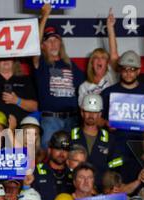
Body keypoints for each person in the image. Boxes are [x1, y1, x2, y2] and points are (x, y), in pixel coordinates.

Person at [33, 4, 85, 149]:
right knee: (48, 152)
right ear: (43, 45)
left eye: (56, 40)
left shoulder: (70, 65)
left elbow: (86, 86)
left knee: (74, 153)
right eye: (49, 41)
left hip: (73, 119)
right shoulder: (41, 64)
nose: (53, 44)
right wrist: (45, 16)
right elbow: (33, 45)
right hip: (51, 119)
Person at [101, 50, 144, 153]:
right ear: (119, 70)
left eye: (132, 69)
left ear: (138, 71)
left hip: (143, 147)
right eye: (125, 69)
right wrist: (106, 123)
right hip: (116, 146)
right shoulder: (108, 93)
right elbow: (96, 120)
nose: (128, 73)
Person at [0, 40, 38, 124]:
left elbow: (35, 107)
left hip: (20, 129)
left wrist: (17, 100)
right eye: (2, 58)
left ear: (14, 61)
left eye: (8, 57)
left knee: (31, 133)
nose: (5, 60)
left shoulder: (25, 79)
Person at [71, 94, 123, 187]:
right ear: (82, 112)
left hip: (102, 187)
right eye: (88, 111)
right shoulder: (71, 136)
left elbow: (118, 161)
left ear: (100, 114)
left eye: (95, 112)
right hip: (75, 186)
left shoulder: (109, 138)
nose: (91, 115)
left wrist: (105, 168)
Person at [78, 8, 119, 105]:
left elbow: (114, 54)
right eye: (96, 57)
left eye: (103, 58)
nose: (99, 60)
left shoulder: (111, 77)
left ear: (107, 64)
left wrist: (110, 28)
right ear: (92, 63)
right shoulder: (84, 87)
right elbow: (83, 111)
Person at [30, 130, 73, 200]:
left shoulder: (73, 175)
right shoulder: (37, 171)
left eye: (65, 150)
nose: (62, 153)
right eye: (58, 149)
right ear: (49, 150)